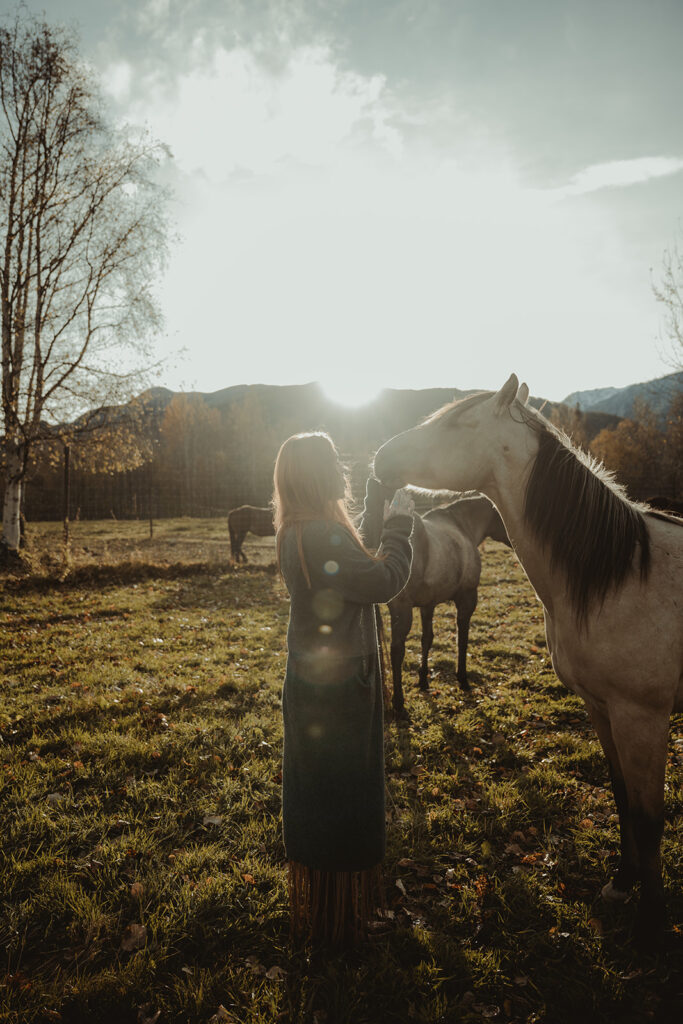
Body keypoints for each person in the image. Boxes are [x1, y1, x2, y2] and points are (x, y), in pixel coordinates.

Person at [272, 431, 414, 946]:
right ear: (315, 473)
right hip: (342, 690)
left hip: (313, 682)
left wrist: (377, 506)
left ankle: (333, 918)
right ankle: (342, 929)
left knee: (321, 797)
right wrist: (401, 529)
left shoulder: (298, 530)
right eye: (332, 460)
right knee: (345, 799)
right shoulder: (323, 537)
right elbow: (382, 580)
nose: (341, 467)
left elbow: (359, 567)